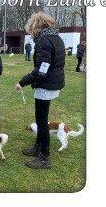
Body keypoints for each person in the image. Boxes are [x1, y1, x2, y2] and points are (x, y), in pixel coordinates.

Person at [16, 12, 66, 170]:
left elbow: (42, 70)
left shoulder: (44, 41)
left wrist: (22, 82)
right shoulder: (56, 38)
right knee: (40, 120)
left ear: (36, 26)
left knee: (42, 123)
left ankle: (44, 157)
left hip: (46, 85)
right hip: (51, 83)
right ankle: (38, 146)